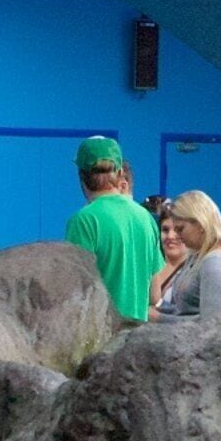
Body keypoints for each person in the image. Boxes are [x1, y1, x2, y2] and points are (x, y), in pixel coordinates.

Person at [64, 134, 157, 323]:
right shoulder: (145, 217)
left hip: (99, 339)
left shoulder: (84, 220)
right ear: (120, 172)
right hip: (138, 338)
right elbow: (155, 295)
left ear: (81, 175)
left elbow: (75, 289)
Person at [154, 190, 221, 319]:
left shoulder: (216, 262)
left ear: (201, 223)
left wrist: (159, 318)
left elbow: (211, 325)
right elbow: (183, 310)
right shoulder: (196, 257)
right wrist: (157, 309)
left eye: (180, 229)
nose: (177, 235)